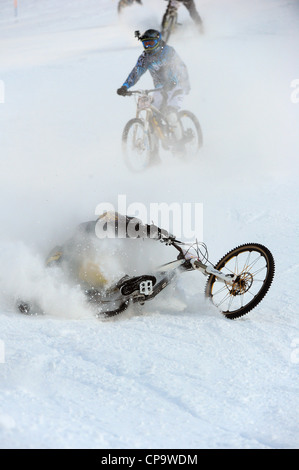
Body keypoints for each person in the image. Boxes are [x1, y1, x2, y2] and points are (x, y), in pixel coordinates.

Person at [45, 211, 174, 291]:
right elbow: (130, 228)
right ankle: (118, 282)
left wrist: (159, 234)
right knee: (96, 256)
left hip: (84, 280)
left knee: (110, 252)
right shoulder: (91, 229)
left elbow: (133, 228)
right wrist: (157, 233)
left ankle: (122, 283)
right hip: (80, 274)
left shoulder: (107, 232)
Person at [117, 29, 190, 147]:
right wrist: (125, 86)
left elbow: (179, 67)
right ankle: (154, 155)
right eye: (145, 43)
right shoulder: (144, 57)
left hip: (177, 86)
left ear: (158, 41)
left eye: (151, 43)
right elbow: (136, 73)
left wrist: (176, 83)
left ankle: (180, 144)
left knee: (171, 114)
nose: (148, 46)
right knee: (151, 119)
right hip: (160, 89)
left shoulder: (168, 51)